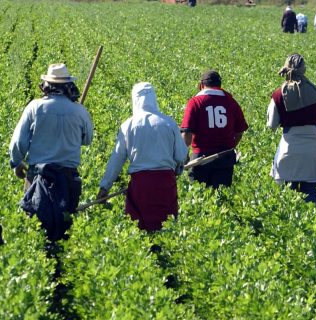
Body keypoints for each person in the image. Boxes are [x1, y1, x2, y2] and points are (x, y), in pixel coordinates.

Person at [9, 63, 93, 242]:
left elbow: (18, 143)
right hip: (67, 177)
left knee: (35, 226)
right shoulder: (79, 111)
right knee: (64, 227)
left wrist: (16, 163)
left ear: (47, 85)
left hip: (37, 175)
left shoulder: (35, 107)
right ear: (68, 86)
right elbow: (87, 140)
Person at [97, 83, 188, 232]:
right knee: (166, 227)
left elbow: (117, 159)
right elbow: (181, 155)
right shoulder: (168, 123)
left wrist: (105, 187)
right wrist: (178, 166)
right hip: (165, 183)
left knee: (140, 229)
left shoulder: (128, 125)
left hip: (141, 184)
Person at [267, 54, 316, 203]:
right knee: (312, 197)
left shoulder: (278, 94)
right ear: (304, 69)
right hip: (314, 150)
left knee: (287, 199)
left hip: (289, 149)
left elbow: (271, 124)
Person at [181, 71, 248, 188]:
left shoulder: (195, 102)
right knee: (221, 197)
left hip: (200, 159)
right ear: (219, 85)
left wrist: (182, 154)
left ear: (201, 85)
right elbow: (240, 131)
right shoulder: (231, 102)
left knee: (199, 198)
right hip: (225, 158)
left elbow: (187, 133)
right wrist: (231, 147)